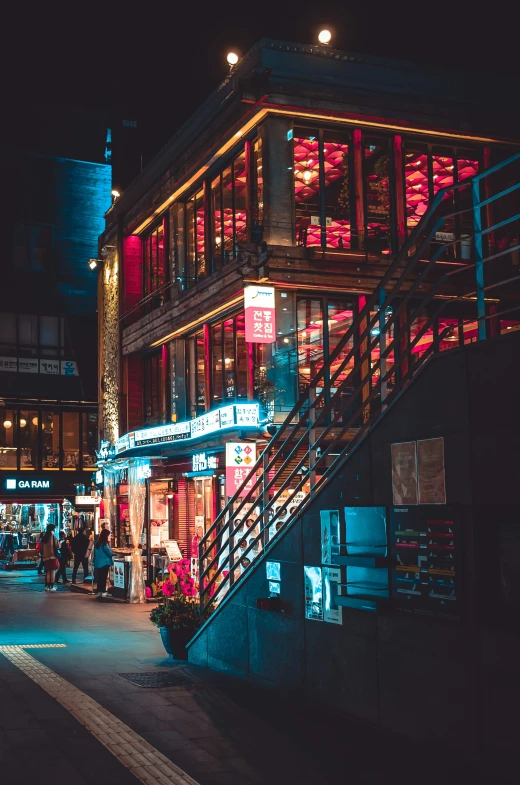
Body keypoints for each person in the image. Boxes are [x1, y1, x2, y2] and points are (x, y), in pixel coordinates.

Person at [94, 528, 113, 599]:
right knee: (104, 577)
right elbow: (109, 553)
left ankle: (100, 591)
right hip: (105, 563)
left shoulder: (98, 543)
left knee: (100, 577)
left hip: (99, 563)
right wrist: (113, 554)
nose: (109, 537)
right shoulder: (104, 544)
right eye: (108, 535)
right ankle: (103, 591)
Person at [40, 524, 59, 591]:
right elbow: (57, 545)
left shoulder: (43, 538)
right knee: (52, 572)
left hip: (45, 557)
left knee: (48, 572)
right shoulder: (53, 537)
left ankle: (47, 586)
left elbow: (41, 548)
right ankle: (51, 586)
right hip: (52, 557)